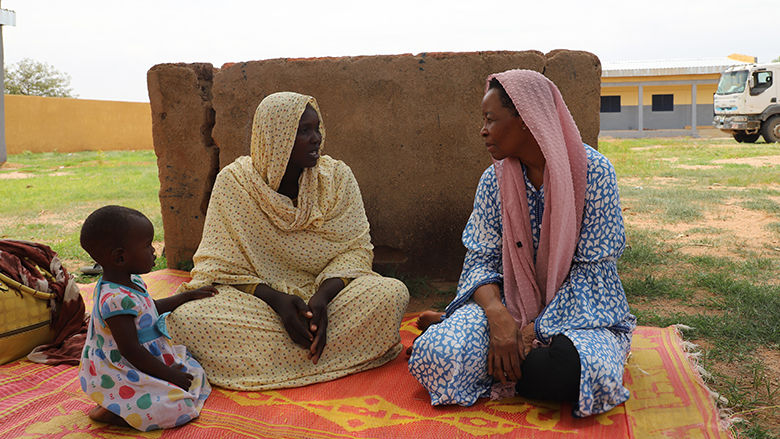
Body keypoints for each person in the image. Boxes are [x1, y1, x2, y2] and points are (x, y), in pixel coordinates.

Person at [408, 70, 636, 418]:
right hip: (508, 305)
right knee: (436, 354)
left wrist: (532, 330)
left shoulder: (595, 173)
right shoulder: (492, 181)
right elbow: (480, 260)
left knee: (578, 372)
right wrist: (499, 318)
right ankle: (480, 342)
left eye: (490, 119)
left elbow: (594, 274)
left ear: (527, 121)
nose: (482, 130)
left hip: (580, 314)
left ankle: (493, 354)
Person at [167, 91, 409, 390]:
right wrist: (278, 301)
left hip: (328, 295)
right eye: (304, 131)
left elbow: (357, 250)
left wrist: (321, 299)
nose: (317, 138)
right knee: (189, 317)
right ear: (275, 138)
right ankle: (326, 353)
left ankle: (271, 360)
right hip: (258, 300)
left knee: (390, 293)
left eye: (316, 128)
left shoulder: (337, 177)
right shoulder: (235, 183)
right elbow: (219, 266)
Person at [78, 205, 216, 431]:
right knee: (177, 408)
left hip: (146, 360)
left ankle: (126, 403)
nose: (154, 251)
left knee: (193, 373)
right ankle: (116, 411)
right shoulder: (114, 300)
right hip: (124, 369)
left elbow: (150, 308)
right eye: (147, 245)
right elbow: (130, 350)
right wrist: (169, 375)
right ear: (120, 257)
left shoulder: (133, 283)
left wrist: (186, 296)